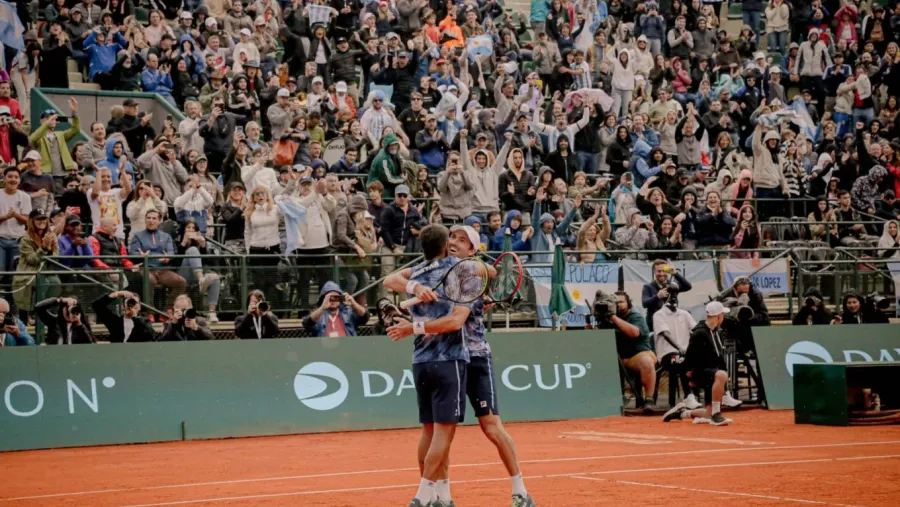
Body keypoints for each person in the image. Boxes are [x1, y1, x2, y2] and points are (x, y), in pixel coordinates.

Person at [384, 224, 473, 507]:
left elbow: (389, 280)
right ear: (446, 245)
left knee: (429, 431)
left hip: (421, 361)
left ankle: (441, 496)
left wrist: (415, 287)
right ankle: (422, 496)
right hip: (449, 360)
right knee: (444, 433)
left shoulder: (417, 272)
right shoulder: (458, 269)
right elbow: (455, 322)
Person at [663, 301, 734, 426]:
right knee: (721, 375)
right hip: (700, 373)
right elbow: (690, 356)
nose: (723, 318)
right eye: (723, 315)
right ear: (719, 316)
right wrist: (689, 375)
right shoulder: (699, 333)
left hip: (713, 374)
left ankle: (681, 413)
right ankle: (717, 414)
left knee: (707, 414)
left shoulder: (716, 332)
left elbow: (719, 357)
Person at [128, 209, 187, 311]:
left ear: (159, 221)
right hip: (146, 268)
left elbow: (171, 252)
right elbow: (133, 253)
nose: (151, 221)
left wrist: (167, 258)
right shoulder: (138, 236)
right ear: (145, 220)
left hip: (163, 269)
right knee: (149, 280)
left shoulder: (166, 236)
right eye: (148, 218)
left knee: (181, 282)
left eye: (154, 218)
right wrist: (141, 256)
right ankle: (150, 311)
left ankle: (167, 311)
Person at [653, 288, 701, 410]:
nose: (674, 298)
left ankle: (711, 396)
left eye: (675, 295)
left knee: (703, 359)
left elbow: (696, 330)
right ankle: (689, 396)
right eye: (671, 295)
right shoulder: (659, 315)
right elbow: (666, 334)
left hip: (685, 354)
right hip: (667, 355)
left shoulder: (684, 314)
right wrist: (679, 348)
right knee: (681, 360)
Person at [611, 291, 657, 412]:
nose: (618, 305)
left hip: (638, 355)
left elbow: (634, 333)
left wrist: (614, 318)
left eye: (621, 302)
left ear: (628, 303)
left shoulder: (635, 317)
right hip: (617, 357)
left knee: (646, 361)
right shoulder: (607, 318)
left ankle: (649, 400)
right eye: (615, 303)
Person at [13, 209, 60, 320]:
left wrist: (49, 250)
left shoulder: (51, 236)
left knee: (56, 282)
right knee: (43, 282)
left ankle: (44, 311)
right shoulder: (25, 239)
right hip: (28, 273)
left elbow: (56, 258)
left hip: (45, 271)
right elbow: (32, 259)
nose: (42, 221)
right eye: (38, 219)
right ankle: (33, 311)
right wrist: (43, 248)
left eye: (44, 218)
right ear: (31, 221)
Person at [642, 259, 693, 332]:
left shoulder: (672, 285)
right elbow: (644, 303)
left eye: (664, 271)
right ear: (654, 272)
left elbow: (688, 286)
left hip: (671, 323)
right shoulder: (648, 287)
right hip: (655, 326)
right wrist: (657, 297)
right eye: (659, 271)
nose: (661, 273)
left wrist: (676, 274)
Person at [303, 281, 369, 337]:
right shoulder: (318, 314)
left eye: (336, 297)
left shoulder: (348, 313)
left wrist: (354, 304)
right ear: (324, 299)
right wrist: (322, 307)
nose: (333, 300)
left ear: (341, 298)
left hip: (347, 346)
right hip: (324, 347)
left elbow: (365, 317)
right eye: (330, 298)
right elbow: (307, 323)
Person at [92, 291, 156, 343]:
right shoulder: (115, 322)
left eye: (134, 302)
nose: (131, 305)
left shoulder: (145, 322)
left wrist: (134, 316)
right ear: (123, 306)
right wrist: (117, 294)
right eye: (129, 302)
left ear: (139, 307)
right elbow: (97, 305)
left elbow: (149, 335)